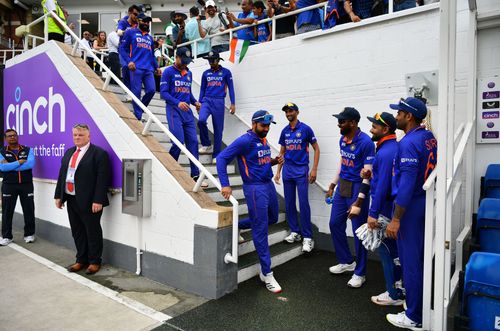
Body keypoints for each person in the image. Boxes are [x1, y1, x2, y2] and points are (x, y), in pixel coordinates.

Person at [217, 110, 284, 293]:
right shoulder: (244, 140)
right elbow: (221, 158)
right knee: (260, 228)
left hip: (267, 184)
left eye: (269, 126)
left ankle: (238, 225)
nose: (267, 129)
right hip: (254, 188)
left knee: (272, 218)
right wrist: (225, 184)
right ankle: (267, 273)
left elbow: (258, 161)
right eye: (263, 125)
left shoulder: (262, 139)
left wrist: (273, 161)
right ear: (254, 124)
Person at [386, 97, 437, 330]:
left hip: (411, 206)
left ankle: (414, 316)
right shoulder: (428, 137)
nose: (396, 116)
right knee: (422, 260)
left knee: (411, 263)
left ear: (409, 116)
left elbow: (405, 186)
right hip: (426, 202)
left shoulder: (409, 143)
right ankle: (421, 307)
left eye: (399, 113)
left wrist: (396, 219)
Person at [327, 107, 374, 288]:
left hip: (357, 188)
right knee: (334, 223)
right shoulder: (342, 139)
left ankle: (360, 272)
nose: (339, 124)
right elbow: (342, 163)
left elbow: (368, 174)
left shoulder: (366, 143)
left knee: (358, 232)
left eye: (342, 121)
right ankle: (347, 261)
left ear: (353, 123)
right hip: (343, 186)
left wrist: (360, 200)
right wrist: (332, 184)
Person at [54, 124, 110, 275]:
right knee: (77, 231)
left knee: (92, 232)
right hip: (71, 199)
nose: (77, 138)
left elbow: (102, 179)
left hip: (90, 201)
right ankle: (81, 259)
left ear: (88, 136)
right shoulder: (69, 153)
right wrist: (58, 196)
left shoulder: (99, 153)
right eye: (75, 135)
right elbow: (62, 175)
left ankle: (94, 261)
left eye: (80, 135)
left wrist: (98, 200)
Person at [362, 112, 404, 306]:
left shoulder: (386, 152)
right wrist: (371, 173)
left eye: (375, 127)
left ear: (385, 129)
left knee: (387, 251)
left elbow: (382, 187)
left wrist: (372, 214)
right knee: (396, 252)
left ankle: (393, 295)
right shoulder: (390, 147)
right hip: (391, 207)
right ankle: (399, 288)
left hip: (386, 209)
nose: (371, 129)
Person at [274, 103, 320, 253]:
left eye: (291, 110)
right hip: (287, 170)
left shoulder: (305, 129)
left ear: (297, 112)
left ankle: (307, 237)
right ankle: (295, 232)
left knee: (304, 203)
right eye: (286, 111)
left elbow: (316, 149)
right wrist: (278, 171)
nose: (288, 113)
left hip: (301, 170)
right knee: (289, 203)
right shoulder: (285, 131)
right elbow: (282, 152)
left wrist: (314, 169)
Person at [159, 47, 205, 185]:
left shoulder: (188, 73)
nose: (186, 64)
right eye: (183, 61)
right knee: (178, 141)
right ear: (176, 57)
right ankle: (170, 169)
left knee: (193, 142)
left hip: (188, 113)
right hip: (174, 110)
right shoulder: (168, 72)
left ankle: (195, 175)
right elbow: (163, 93)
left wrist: (195, 102)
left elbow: (188, 93)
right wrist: (178, 103)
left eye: (187, 62)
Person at [120, 13, 161, 121]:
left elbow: (151, 55)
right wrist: (129, 61)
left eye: (148, 22)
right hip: (136, 68)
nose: (146, 24)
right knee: (136, 93)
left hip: (148, 69)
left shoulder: (150, 38)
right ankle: (138, 117)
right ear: (138, 21)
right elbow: (122, 49)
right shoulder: (130, 32)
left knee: (151, 90)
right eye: (144, 21)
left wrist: (156, 67)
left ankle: (140, 110)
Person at [198, 51, 236, 163]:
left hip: (219, 101)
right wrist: (200, 102)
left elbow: (231, 88)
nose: (211, 63)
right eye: (209, 60)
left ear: (218, 60)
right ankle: (206, 144)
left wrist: (233, 103)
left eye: (213, 60)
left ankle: (216, 154)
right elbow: (202, 89)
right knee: (201, 120)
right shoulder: (205, 73)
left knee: (218, 129)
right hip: (207, 100)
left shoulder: (226, 72)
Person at [0, 129, 36, 246]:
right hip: (9, 185)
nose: (12, 138)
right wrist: (20, 162)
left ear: (17, 136)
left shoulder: (28, 150)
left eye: (14, 135)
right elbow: (3, 168)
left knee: (29, 210)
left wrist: (10, 166)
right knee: (7, 211)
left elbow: (30, 164)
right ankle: (7, 236)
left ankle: (29, 234)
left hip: (26, 184)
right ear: (5, 138)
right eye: (9, 136)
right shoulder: (1, 152)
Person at [117, 5, 141, 94]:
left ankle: (133, 91)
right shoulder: (123, 22)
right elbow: (119, 32)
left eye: (138, 15)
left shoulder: (138, 23)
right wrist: (126, 31)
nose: (136, 17)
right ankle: (127, 91)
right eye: (135, 14)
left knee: (135, 70)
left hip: (134, 50)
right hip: (124, 49)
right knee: (125, 67)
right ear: (129, 13)